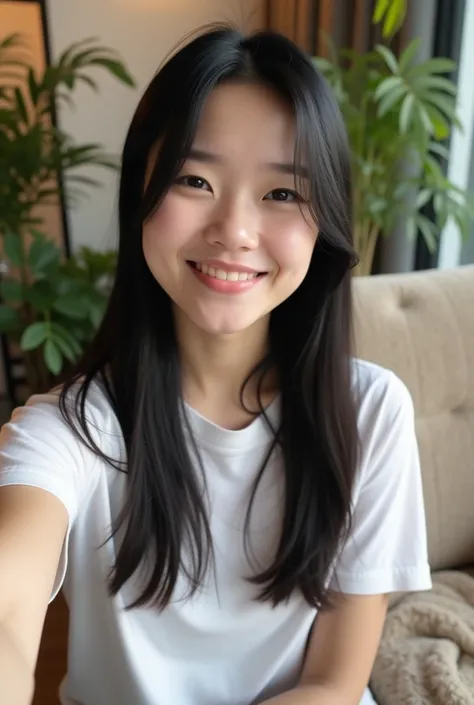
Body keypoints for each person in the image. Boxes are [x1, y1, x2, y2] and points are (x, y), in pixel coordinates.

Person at [0, 25, 431, 705]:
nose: (234, 229)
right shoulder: (72, 430)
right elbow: (8, 603)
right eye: (194, 179)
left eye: (282, 193)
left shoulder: (369, 411)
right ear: (139, 195)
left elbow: (333, 680)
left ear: (325, 224)